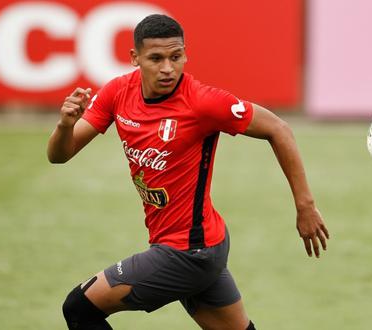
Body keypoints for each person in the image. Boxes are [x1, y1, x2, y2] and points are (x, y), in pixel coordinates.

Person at [47, 14, 329, 330]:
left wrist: (305, 206)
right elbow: (60, 155)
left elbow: (279, 129)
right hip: (199, 246)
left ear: (185, 53)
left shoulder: (203, 102)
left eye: (175, 56)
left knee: (79, 307)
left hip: (187, 252)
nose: (168, 68)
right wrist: (64, 125)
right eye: (156, 58)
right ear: (134, 58)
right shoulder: (117, 93)